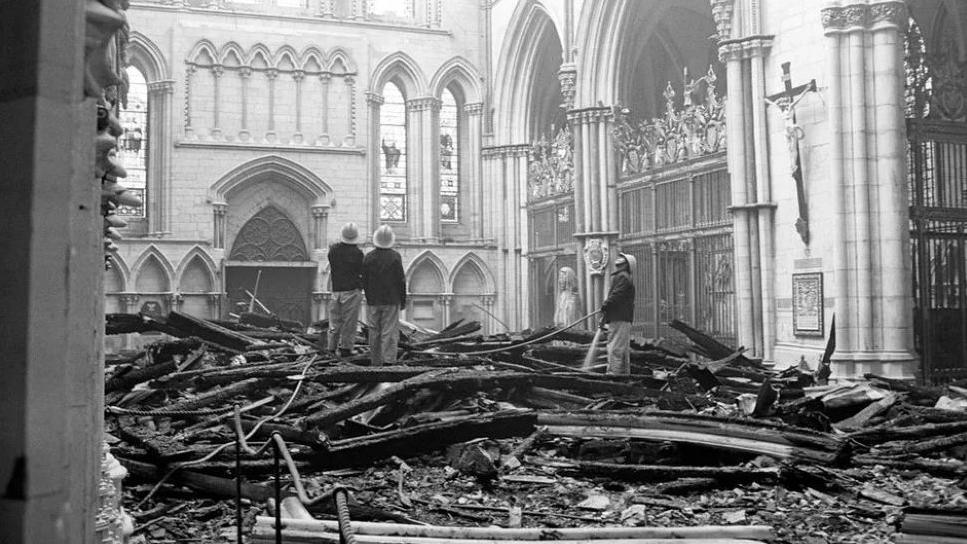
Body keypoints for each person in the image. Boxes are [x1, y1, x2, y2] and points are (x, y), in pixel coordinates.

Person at [362, 225, 406, 366]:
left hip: (374, 301)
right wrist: (402, 300)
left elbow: (365, 281)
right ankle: (388, 362)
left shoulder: (369, 257)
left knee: (374, 331)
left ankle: (375, 362)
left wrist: (369, 298)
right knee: (389, 332)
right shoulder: (395, 257)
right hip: (391, 300)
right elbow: (401, 281)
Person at [327, 222, 364, 358]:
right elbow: (362, 272)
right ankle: (346, 349)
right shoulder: (358, 254)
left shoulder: (333, 251)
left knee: (334, 322)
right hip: (351, 292)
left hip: (336, 291)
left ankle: (331, 348)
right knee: (349, 323)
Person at [601, 252, 636, 374]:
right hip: (622, 318)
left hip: (619, 319)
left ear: (626, 264)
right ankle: (624, 376)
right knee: (622, 349)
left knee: (615, 348)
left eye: (622, 260)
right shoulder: (623, 276)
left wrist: (606, 304)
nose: (618, 261)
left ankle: (613, 377)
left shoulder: (623, 277)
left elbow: (617, 295)